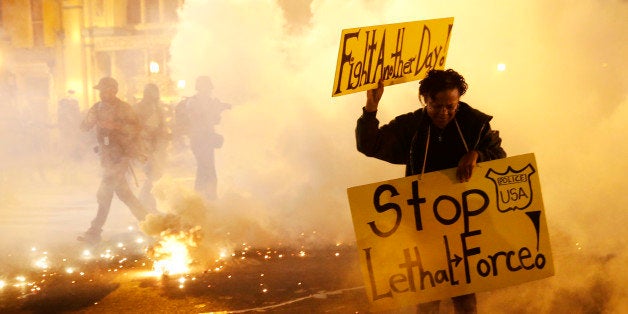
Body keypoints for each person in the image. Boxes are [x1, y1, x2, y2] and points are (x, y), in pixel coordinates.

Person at [355, 69, 507, 313]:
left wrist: (478, 154)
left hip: (464, 226)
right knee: (427, 299)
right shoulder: (411, 126)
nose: (444, 113)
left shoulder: (475, 124)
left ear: (459, 100)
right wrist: (371, 108)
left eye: (451, 106)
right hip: (425, 225)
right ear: (424, 98)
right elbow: (369, 144)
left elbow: (499, 155)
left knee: (465, 299)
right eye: (437, 106)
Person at [78, 77, 150, 244]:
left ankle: (94, 231)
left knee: (105, 193)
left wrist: (116, 126)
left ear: (114, 91)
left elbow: (136, 128)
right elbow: (83, 127)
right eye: (102, 91)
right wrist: (92, 120)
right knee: (125, 195)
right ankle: (150, 223)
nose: (103, 94)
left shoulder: (124, 108)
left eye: (107, 90)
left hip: (121, 156)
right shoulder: (97, 108)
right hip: (106, 156)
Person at [175, 76, 231, 200]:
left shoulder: (209, 102)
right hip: (199, 139)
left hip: (207, 139)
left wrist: (220, 108)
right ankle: (206, 200)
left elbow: (214, 120)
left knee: (204, 171)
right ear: (200, 87)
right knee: (208, 171)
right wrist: (214, 109)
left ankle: (200, 201)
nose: (209, 90)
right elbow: (199, 120)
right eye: (206, 87)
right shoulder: (193, 102)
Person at [134, 83, 169, 212]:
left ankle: (148, 204)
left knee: (156, 175)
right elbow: (135, 127)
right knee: (152, 175)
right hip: (145, 146)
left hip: (157, 146)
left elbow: (162, 126)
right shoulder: (138, 108)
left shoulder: (158, 108)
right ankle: (144, 204)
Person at [56, 89, 82, 160]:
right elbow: (61, 118)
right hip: (66, 128)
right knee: (66, 141)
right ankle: (66, 156)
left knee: (73, 141)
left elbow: (77, 116)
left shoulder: (74, 105)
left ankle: (72, 155)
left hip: (72, 128)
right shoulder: (62, 109)